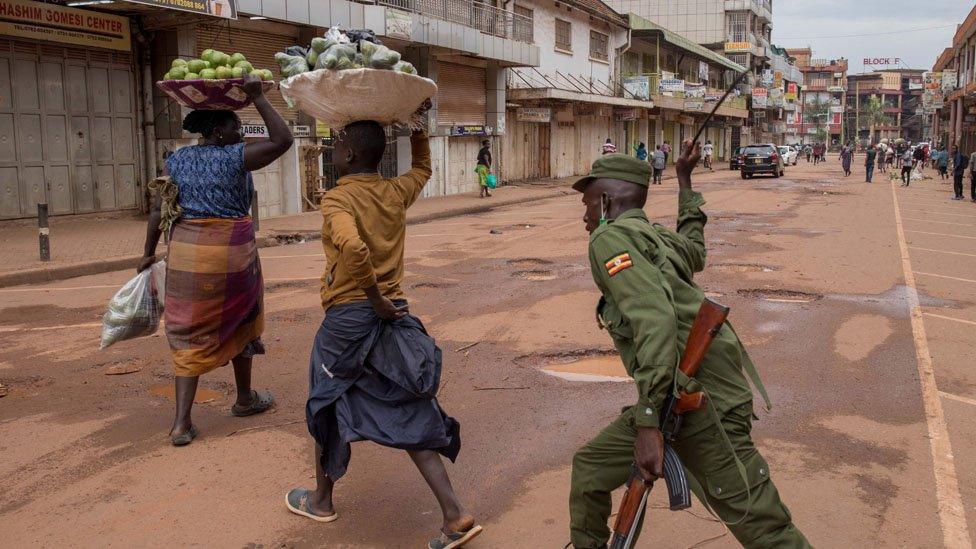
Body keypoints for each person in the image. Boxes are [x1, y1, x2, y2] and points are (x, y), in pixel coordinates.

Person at [568, 144, 809, 549]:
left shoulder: (609, 239)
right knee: (591, 468)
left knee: (761, 526)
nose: (585, 215)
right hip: (677, 392)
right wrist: (684, 180)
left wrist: (647, 422)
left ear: (606, 201)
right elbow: (695, 251)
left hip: (700, 402)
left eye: (588, 202)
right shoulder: (653, 236)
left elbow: (655, 321)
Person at [286, 114, 482, 549]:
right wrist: (418, 129)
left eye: (336, 145)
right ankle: (454, 513)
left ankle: (321, 501)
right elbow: (423, 169)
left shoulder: (337, 199)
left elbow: (353, 247)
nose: (332, 151)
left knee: (324, 398)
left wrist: (372, 297)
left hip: (351, 318)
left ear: (349, 154)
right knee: (409, 402)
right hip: (392, 313)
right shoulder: (394, 191)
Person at [138, 76, 293, 446]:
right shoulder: (233, 157)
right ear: (220, 131)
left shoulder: (177, 160)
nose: (240, 132)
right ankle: (243, 399)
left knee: (188, 330)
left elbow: (159, 209)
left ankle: (181, 423)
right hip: (231, 255)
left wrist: (146, 253)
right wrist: (257, 97)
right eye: (236, 126)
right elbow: (283, 140)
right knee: (242, 317)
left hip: (187, 255)